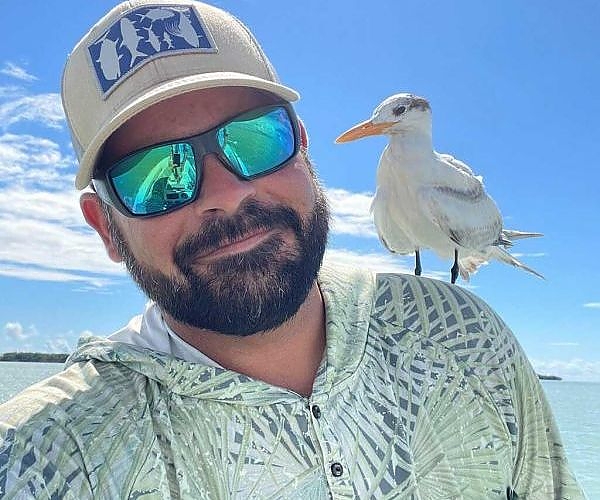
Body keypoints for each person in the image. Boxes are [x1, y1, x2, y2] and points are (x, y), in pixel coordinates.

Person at [0, 1, 586, 499]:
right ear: (104, 227)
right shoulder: (46, 455)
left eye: (256, 139)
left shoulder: (467, 340)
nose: (227, 194)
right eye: (157, 173)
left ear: (303, 148)